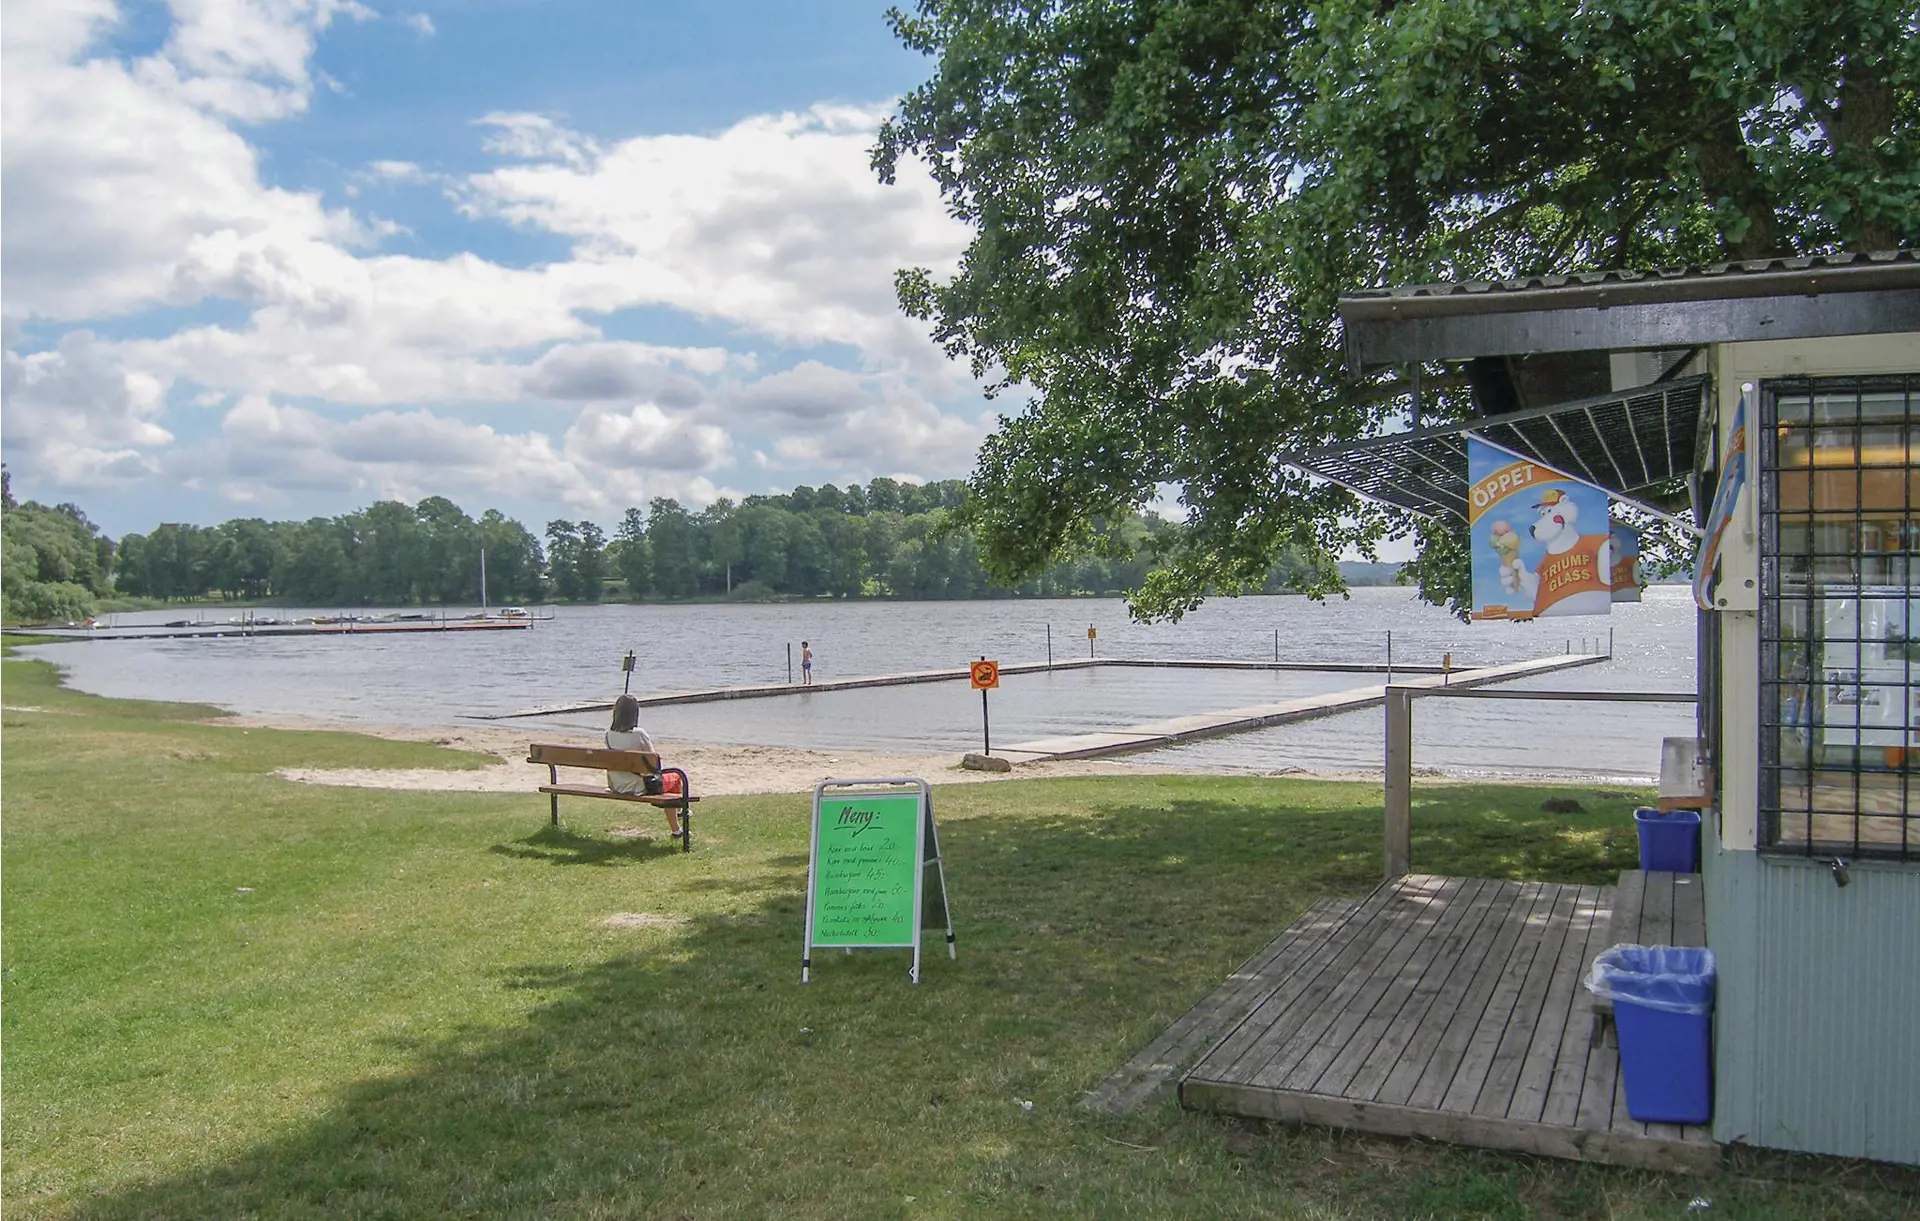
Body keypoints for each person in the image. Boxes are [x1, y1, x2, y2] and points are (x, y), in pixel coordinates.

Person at [604, 695, 658, 795]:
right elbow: (654, 762)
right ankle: (680, 806)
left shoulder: (608, 734)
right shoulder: (639, 734)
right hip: (639, 786)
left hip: (617, 785)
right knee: (675, 778)